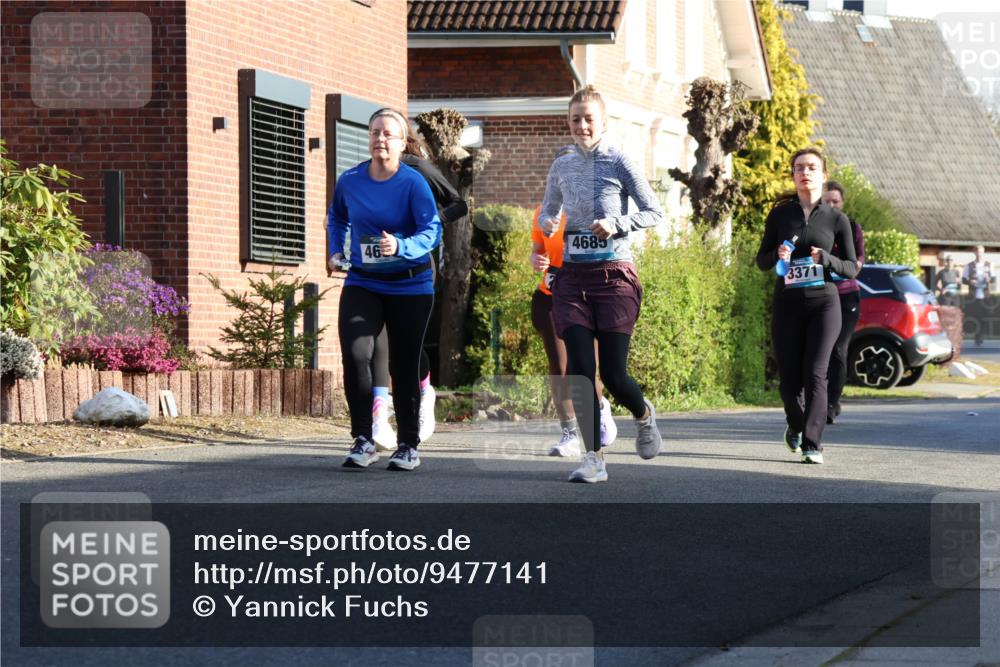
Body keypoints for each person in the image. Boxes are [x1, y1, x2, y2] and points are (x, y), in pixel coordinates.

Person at [538, 85, 664, 483]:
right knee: (579, 367)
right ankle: (594, 458)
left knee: (613, 373)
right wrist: (546, 222)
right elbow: (550, 207)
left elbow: (653, 211)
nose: (582, 125)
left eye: (589, 118)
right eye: (575, 119)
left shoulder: (619, 160)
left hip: (613, 276)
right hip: (573, 276)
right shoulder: (561, 163)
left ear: (603, 121)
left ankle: (643, 415)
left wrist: (616, 224)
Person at [327, 107, 442, 471]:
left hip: (411, 285)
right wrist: (335, 250)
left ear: (402, 142)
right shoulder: (350, 180)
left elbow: (432, 230)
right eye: (374, 132)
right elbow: (338, 217)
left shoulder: (413, 183)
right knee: (356, 353)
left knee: (403, 363)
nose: (380, 139)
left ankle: (408, 444)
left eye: (388, 134)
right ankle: (363, 439)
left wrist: (402, 247)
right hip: (364, 280)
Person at [755, 148, 859, 464]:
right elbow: (761, 260)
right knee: (789, 379)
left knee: (816, 373)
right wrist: (778, 257)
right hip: (787, 304)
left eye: (812, 167)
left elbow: (852, 267)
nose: (805, 172)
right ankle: (796, 426)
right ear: (793, 175)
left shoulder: (838, 219)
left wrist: (825, 259)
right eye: (799, 167)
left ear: (823, 175)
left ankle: (813, 444)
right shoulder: (779, 215)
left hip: (824, 304)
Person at [367, 134, 468, 451]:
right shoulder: (366, 174)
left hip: (419, 263)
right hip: (379, 261)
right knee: (378, 335)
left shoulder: (419, 168)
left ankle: (425, 391)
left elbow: (458, 204)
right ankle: (379, 415)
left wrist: (430, 220)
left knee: (406, 340)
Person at [529, 203, 617, 457]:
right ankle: (569, 434)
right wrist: (537, 260)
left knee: (586, 366)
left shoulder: (598, 211)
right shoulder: (542, 212)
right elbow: (537, 252)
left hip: (588, 297)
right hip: (551, 296)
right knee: (560, 367)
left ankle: (599, 408)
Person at [821, 180, 864, 424]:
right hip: (820, 294)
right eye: (826, 201)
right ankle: (815, 398)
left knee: (838, 349)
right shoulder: (813, 226)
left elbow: (857, 262)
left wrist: (841, 267)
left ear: (842, 203)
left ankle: (831, 402)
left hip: (846, 295)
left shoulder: (852, 227)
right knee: (818, 349)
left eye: (835, 201)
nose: (831, 205)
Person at [962, 245, 994, 346]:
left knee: (985, 316)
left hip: (985, 295)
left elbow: (993, 279)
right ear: (974, 253)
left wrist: (989, 279)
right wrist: (970, 281)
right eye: (977, 252)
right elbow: (964, 280)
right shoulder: (969, 265)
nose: (979, 254)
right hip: (973, 296)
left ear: (983, 253)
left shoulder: (989, 264)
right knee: (975, 316)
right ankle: (978, 335)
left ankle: (980, 335)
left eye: (981, 252)